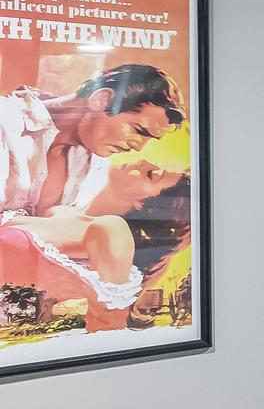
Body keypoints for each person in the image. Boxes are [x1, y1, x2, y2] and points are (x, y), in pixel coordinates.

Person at [0, 133, 188, 332]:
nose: (145, 161)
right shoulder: (61, 210)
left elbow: (107, 326)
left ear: (144, 207)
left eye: (152, 175)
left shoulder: (110, 231)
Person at [0, 64, 186, 217]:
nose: (138, 147)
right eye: (138, 130)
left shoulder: (95, 170)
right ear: (102, 100)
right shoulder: (6, 121)